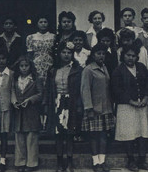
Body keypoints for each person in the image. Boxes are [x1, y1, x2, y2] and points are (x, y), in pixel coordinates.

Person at [112, 45, 148, 172]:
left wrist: (146, 97)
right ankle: (131, 160)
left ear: (137, 57)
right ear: (123, 56)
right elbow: (116, 90)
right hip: (126, 107)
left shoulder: (141, 67)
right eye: (128, 55)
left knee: (142, 133)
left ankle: (142, 160)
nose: (131, 58)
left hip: (142, 105)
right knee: (129, 133)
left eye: (133, 56)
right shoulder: (118, 71)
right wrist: (130, 101)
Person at [46, 41, 84, 172]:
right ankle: (59, 162)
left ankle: (69, 162)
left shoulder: (77, 70)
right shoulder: (52, 70)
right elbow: (48, 89)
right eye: (63, 52)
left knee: (69, 134)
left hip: (70, 103)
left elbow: (80, 90)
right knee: (58, 134)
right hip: (57, 102)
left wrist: (79, 105)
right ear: (59, 54)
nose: (66, 55)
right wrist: (47, 105)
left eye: (69, 53)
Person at [81, 44, 115, 172]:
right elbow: (85, 90)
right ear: (93, 55)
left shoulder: (105, 68)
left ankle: (102, 161)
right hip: (94, 109)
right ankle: (96, 162)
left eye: (103, 54)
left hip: (106, 108)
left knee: (103, 136)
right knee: (94, 136)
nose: (101, 56)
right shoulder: (88, 70)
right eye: (98, 53)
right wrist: (89, 108)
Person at [11, 56, 43, 171]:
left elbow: (40, 94)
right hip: (19, 112)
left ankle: (32, 163)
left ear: (30, 67)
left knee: (31, 137)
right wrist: (14, 101)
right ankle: (20, 162)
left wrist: (30, 100)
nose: (24, 68)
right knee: (19, 137)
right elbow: (12, 91)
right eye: (21, 66)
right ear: (18, 67)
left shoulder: (35, 79)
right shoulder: (15, 79)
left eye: (26, 66)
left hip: (31, 111)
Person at [26, 15, 55, 131]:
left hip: (49, 68)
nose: (43, 24)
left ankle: (47, 124)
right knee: (37, 94)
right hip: (36, 68)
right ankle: (37, 124)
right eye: (41, 21)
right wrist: (31, 70)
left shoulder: (53, 37)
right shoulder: (31, 37)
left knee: (48, 94)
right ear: (37, 24)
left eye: (45, 21)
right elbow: (29, 55)